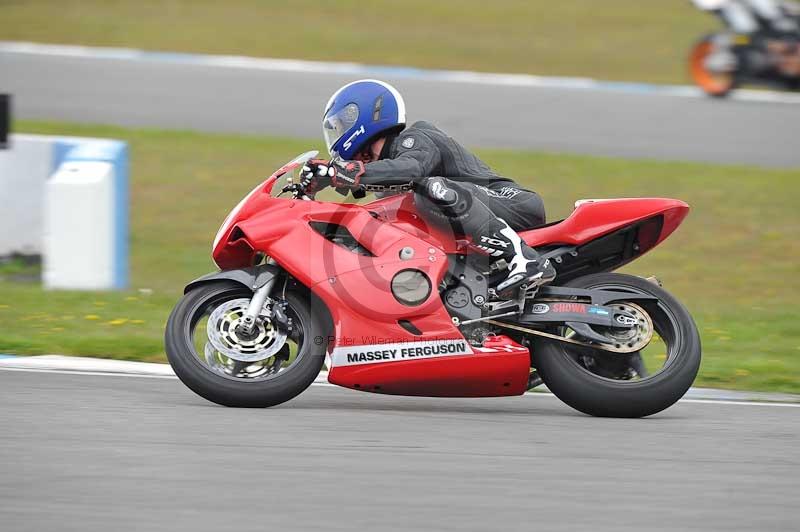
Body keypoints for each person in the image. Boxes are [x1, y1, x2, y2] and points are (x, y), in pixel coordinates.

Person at [299, 79, 555, 296]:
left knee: (430, 188)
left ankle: (526, 259)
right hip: (476, 224)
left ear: (366, 115)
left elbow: (410, 169)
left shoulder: (415, 138)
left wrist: (338, 171)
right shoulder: (386, 179)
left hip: (511, 202)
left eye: (342, 125)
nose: (338, 136)